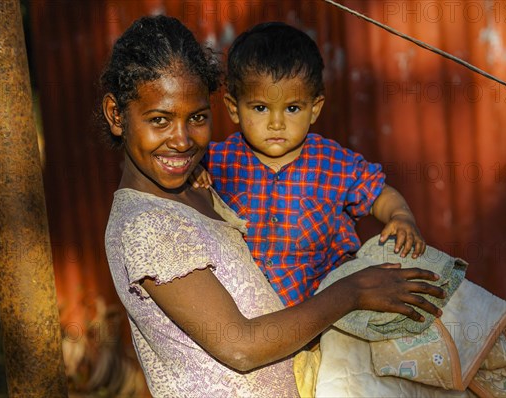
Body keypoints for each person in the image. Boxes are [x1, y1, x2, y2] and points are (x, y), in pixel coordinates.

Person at [101, 15, 446, 397]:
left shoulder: (198, 182)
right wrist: (354, 291)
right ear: (117, 115)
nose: (181, 140)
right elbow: (240, 346)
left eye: (197, 117)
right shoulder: (147, 225)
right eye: (159, 120)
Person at [205, 22, 426, 307]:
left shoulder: (333, 162)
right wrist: (197, 177)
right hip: (249, 315)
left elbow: (378, 193)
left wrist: (401, 216)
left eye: (292, 108)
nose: (276, 123)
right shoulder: (217, 161)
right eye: (260, 108)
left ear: (315, 108)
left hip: (329, 311)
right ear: (234, 108)